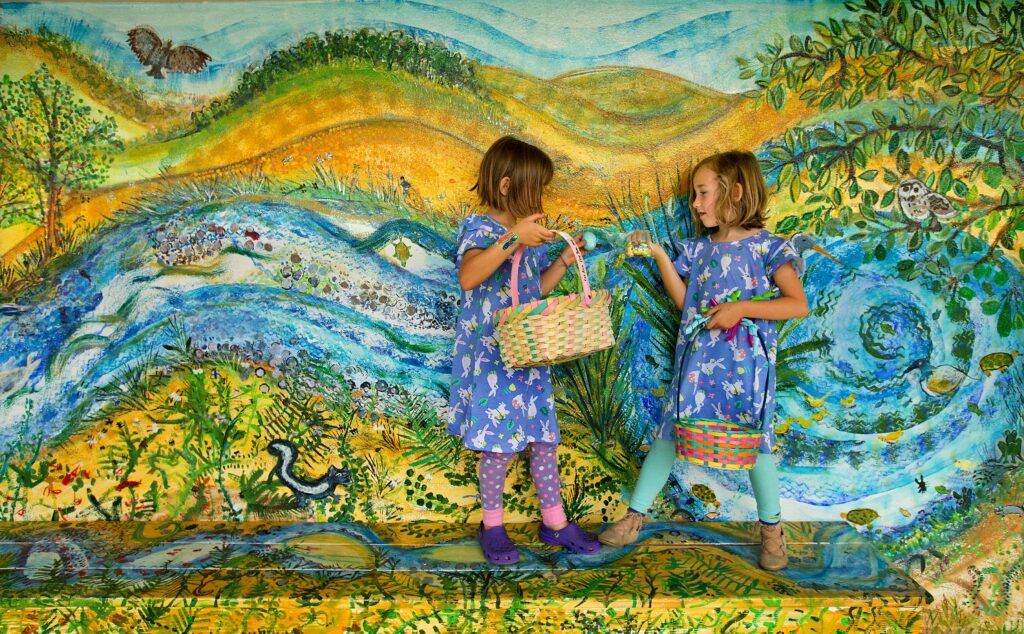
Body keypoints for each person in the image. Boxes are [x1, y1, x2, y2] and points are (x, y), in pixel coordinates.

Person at [598, 150, 808, 571]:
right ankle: (634, 519)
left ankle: (772, 535)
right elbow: (685, 304)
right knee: (668, 435)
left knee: (757, 446)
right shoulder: (698, 250)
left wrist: (742, 308)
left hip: (746, 373)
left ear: (736, 191)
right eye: (695, 195)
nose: (696, 204)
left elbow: (796, 304)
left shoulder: (769, 248)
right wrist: (659, 254)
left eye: (703, 193)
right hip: (696, 366)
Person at [448, 136, 602, 565]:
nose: (541, 200)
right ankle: (492, 525)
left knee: (543, 442)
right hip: (494, 361)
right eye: (536, 189)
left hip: (528, 356)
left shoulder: (527, 238)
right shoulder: (480, 229)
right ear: (505, 186)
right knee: (500, 448)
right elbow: (469, 276)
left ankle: (554, 522)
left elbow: (534, 293)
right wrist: (513, 237)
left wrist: (567, 260)